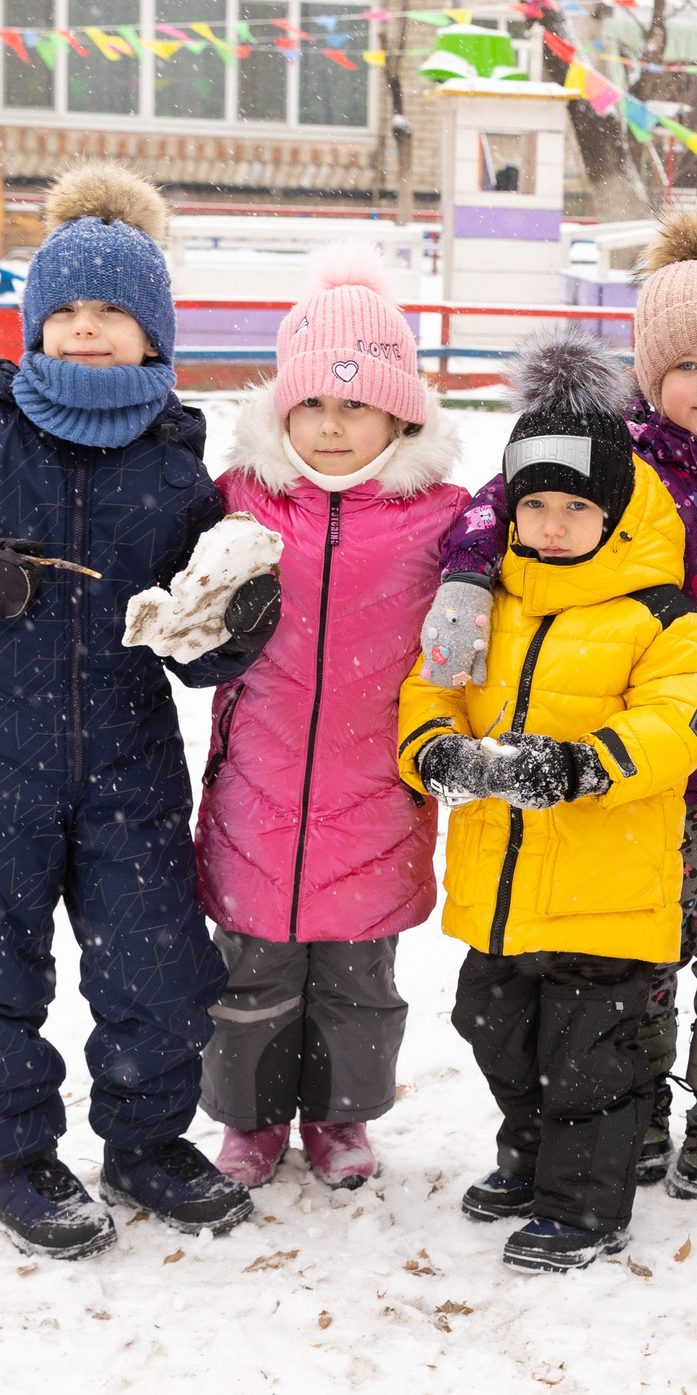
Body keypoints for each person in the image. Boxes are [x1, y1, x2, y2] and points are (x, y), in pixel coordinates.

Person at [0, 164, 280, 1260]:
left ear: (155, 335)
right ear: (37, 323)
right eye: (67, 310)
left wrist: (234, 624)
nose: (88, 329)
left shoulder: (181, 473)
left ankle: (145, 1140)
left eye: (114, 313)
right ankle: (9, 1154)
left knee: (156, 964)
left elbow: (199, 641)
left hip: (130, 759)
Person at [418, 213, 697, 1200]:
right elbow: (497, 499)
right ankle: (634, 1109)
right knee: (636, 948)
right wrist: (468, 577)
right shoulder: (616, 454)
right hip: (634, 764)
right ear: (646, 370)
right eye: (687, 363)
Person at [397, 337, 697, 1273]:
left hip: (605, 894)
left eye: (572, 506)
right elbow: (432, 692)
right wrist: (439, 754)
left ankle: (584, 1205)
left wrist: (585, 765)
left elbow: (678, 721)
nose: (548, 523)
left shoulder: (658, 617)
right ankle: (530, 1157)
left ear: (612, 511)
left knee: (590, 1059)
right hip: (499, 892)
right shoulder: (486, 604)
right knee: (496, 1030)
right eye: (532, 503)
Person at [193, 246, 465, 1192]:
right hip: (260, 788)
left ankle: (340, 1117)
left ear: (401, 410)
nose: (333, 424)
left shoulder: (441, 519)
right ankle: (252, 1119)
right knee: (252, 978)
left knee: (358, 982)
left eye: (356, 404)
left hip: (375, 790)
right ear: (282, 411)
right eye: (312, 403)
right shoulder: (242, 502)